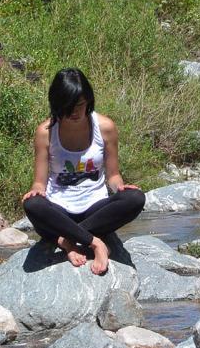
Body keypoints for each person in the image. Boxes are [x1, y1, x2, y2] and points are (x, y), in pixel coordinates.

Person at [22, 68, 145, 275]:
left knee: (135, 198)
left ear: (88, 100)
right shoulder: (45, 132)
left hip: (94, 207)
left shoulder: (105, 127)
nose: (74, 112)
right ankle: (96, 242)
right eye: (68, 106)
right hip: (59, 209)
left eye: (79, 105)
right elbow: (39, 182)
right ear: (57, 104)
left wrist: (121, 187)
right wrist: (36, 192)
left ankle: (67, 240)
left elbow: (113, 176)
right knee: (32, 204)